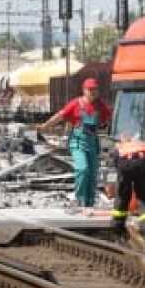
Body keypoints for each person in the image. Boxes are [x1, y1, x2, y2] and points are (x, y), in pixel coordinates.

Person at [38, 77, 111, 211]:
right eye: (90, 90)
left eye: (95, 89)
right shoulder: (75, 104)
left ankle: (89, 204)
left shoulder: (101, 106)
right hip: (78, 141)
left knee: (93, 173)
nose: (93, 92)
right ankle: (79, 199)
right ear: (84, 90)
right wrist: (45, 126)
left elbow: (109, 120)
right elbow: (60, 115)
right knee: (83, 169)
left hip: (93, 142)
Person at [111, 130, 145, 241]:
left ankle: (118, 229)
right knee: (144, 198)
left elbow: (116, 164)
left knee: (122, 196)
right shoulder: (142, 143)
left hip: (126, 162)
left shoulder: (119, 146)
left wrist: (122, 186)